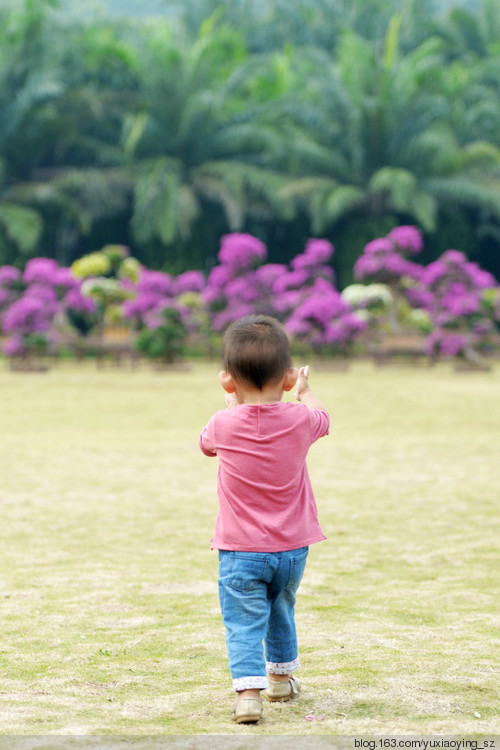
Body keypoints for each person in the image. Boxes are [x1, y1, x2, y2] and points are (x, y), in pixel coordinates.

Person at [199, 314, 330, 724]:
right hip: (292, 548)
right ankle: (279, 679)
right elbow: (322, 419)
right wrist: (306, 393)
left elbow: (206, 445)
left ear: (227, 380)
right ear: (288, 377)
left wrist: (233, 408)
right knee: (280, 608)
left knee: (242, 619)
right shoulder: (299, 419)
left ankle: (249, 695)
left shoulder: (223, 423)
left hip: (240, 550)